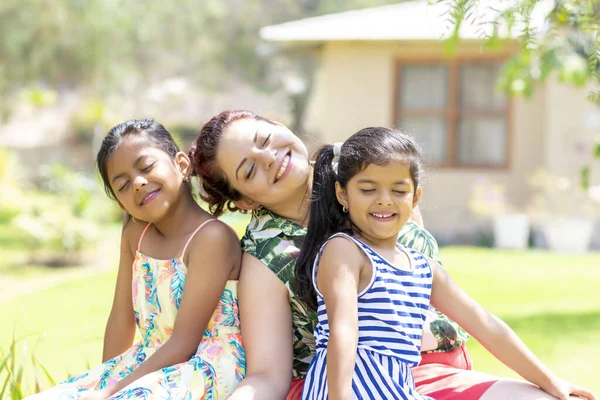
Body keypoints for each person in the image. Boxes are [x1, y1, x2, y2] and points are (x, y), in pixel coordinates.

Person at [190, 110, 585, 400]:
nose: (270, 158)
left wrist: (551, 380)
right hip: (352, 384)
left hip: (441, 371)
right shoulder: (268, 251)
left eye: (265, 139)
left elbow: (467, 310)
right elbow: (270, 372)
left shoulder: (374, 168)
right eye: (249, 169)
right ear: (241, 200)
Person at [294, 127, 595, 400]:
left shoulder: (423, 268)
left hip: (396, 390)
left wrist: (550, 381)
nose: (384, 200)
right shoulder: (344, 250)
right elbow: (343, 331)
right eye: (368, 189)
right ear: (342, 194)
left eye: (398, 191)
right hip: (345, 391)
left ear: (415, 198)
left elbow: (486, 325)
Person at [28, 119, 245, 399]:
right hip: (152, 362)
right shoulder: (135, 234)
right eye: (123, 184)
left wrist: (111, 391)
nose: (138, 183)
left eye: (146, 167)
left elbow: (184, 342)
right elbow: (121, 316)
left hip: (206, 366)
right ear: (120, 203)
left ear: (181, 164)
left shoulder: (211, 238)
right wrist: (103, 378)